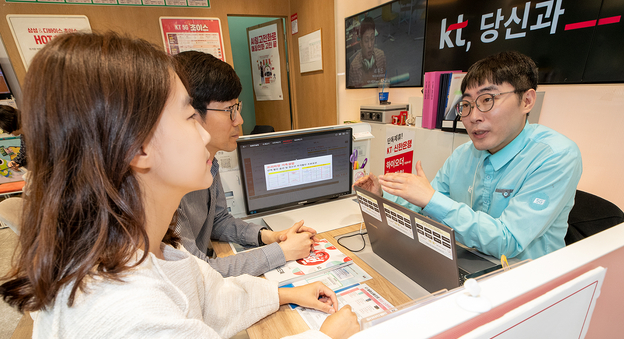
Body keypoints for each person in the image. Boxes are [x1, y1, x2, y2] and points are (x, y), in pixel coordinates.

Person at [0, 32, 359, 339]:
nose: (206, 134)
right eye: (191, 116)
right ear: (138, 147)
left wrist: (282, 294)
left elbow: (208, 294)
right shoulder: (118, 310)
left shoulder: (132, 245)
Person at [355, 51, 582, 261]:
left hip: (527, 280)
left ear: (527, 101)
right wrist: (380, 196)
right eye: (465, 104)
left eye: (487, 100)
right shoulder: (463, 154)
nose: (473, 116)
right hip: (468, 264)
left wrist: (431, 199)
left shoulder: (556, 156)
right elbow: (424, 209)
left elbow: (508, 241)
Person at [174, 51, 317, 278]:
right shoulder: (169, 183)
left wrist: (269, 236)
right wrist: (280, 252)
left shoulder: (209, 162)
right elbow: (196, 274)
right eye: (229, 110)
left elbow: (217, 220)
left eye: (237, 107)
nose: (239, 120)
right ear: (192, 113)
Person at [348, 16, 387, 88]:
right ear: (361, 43)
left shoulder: (381, 56)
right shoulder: (354, 67)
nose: (370, 45)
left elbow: (385, 81)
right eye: (366, 40)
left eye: (372, 39)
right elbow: (352, 95)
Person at [0, 104, 27, 170]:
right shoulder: (24, 135)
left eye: (4, 129)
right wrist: (15, 162)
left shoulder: (40, 132)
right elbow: (24, 154)